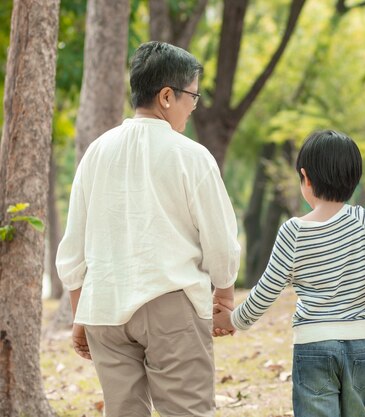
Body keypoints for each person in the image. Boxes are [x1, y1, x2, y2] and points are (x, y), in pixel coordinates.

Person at [56, 41, 240, 417]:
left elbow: (72, 249)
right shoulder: (191, 156)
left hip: (105, 308)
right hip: (170, 304)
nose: (194, 105)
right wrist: (223, 294)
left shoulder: (97, 152)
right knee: (186, 411)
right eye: (193, 95)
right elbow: (220, 240)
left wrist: (81, 313)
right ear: (167, 96)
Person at [213, 130, 365, 417]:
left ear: (305, 177)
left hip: (314, 345)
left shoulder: (293, 232)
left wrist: (233, 320)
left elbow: (266, 291)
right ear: (354, 178)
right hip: (363, 343)